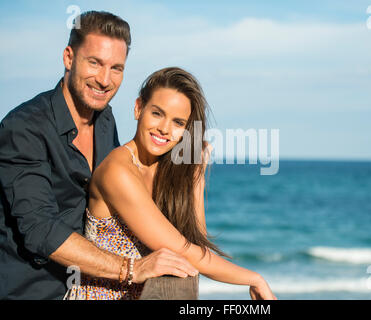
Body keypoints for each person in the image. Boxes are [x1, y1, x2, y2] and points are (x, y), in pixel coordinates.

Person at [0, 11, 196, 300]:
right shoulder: (23, 128)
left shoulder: (105, 119)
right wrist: (132, 268)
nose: (105, 80)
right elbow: (41, 231)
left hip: (94, 287)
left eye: (116, 68)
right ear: (69, 58)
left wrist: (193, 170)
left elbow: (120, 201)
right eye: (95, 63)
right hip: (36, 291)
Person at [65, 67, 277, 300]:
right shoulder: (118, 171)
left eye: (178, 122)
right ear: (138, 108)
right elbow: (187, 252)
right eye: (157, 113)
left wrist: (196, 175)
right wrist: (254, 278)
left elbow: (195, 241)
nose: (164, 129)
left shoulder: (162, 169)